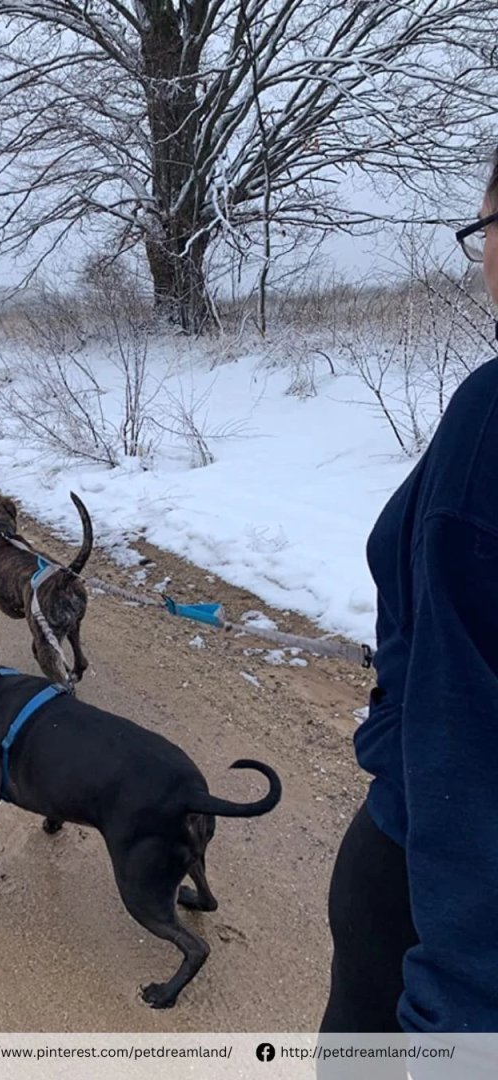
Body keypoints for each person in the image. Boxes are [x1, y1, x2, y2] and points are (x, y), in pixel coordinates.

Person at [319, 155, 498, 1038]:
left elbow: (470, 736)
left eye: (486, 229)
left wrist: (456, 1025)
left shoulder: (492, 417)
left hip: (431, 882)